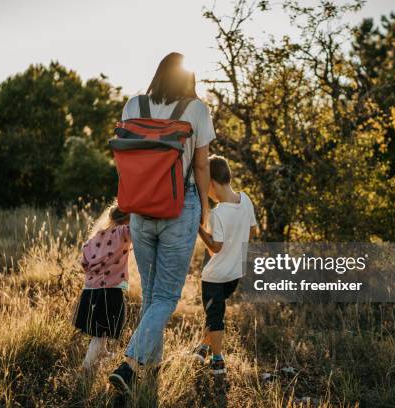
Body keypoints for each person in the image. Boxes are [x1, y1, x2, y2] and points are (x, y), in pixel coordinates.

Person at [109, 52, 215, 393]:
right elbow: (201, 166)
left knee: (153, 294)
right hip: (179, 208)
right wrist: (205, 209)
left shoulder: (133, 105)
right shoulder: (195, 110)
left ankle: (150, 371)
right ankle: (129, 366)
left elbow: (128, 160)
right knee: (167, 297)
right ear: (188, 78)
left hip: (140, 209)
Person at [192, 155, 257, 376]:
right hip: (234, 275)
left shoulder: (218, 213)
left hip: (215, 277)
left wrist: (198, 229)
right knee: (215, 311)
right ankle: (203, 346)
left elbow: (215, 247)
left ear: (211, 183)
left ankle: (218, 360)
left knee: (215, 316)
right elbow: (252, 230)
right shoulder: (245, 199)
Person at [72, 202, 131, 374]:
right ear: (127, 219)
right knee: (100, 333)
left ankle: (102, 353)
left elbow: (83, 263)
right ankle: (86, 366)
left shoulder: (95, 236)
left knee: (100, 327)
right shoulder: (123, 232)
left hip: (89, 290)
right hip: (110, 289)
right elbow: (139, 231)